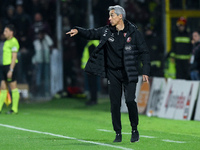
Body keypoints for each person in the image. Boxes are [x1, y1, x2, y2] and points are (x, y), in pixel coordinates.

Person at [66, 5, 150, 143]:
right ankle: (118, 132)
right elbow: (91, 33)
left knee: (130, 100)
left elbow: (144, 52)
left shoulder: (133, 33)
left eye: (112, 15)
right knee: (115, 104)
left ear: (120, 16)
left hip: (129, 72)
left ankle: (134, 129)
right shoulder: (106, 31)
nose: (109, 18)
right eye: (110, 15)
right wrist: (78, 30)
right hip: (113, 73)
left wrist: (145, 70)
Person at [0, 24, 20, 114]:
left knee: (13, 87)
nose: (4, 33)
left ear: (11, 32)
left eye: (6, 31)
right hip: (3, 66)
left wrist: (11, 70)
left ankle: (14, 109)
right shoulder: (6, 42)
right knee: (3, 88)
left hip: (10, 66)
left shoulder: (14, 42)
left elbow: (14, 56)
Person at [81, 40, 99, 106]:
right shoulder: (95, 43)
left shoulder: (92, 45)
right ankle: (94, 99)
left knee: (92, 84)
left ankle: (93, 100)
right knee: (94, 84)